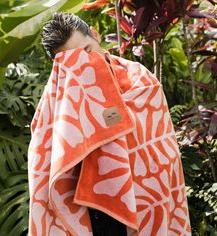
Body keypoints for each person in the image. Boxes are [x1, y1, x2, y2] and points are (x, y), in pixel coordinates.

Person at [28, 12, 191, 236]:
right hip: (90, 210)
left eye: (86, 51)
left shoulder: (139, 79)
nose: (85, 64)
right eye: (72, 62)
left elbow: (161, 149)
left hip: (146, 196)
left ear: (95, 35)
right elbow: (46, 162)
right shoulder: (54, 106)